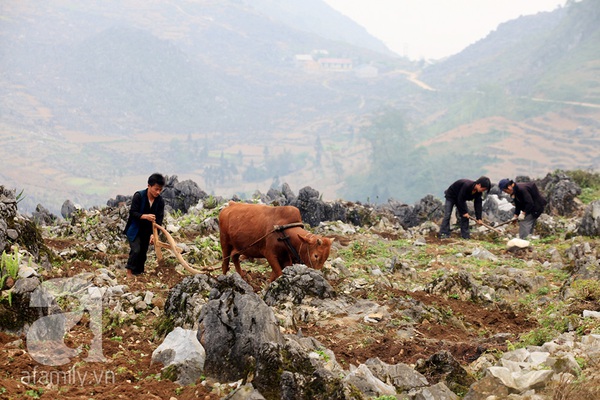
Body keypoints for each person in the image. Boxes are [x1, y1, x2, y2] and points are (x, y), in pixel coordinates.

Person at [123, 173, 166, 277]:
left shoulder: (160, 201)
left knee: (143, 252)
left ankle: (138, 273)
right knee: (136, 250)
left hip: (147, 231)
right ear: (149, 186)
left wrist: (154, 234)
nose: (158, 192)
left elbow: (159, 219)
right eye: (156, 189)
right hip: (135, 229)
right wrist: (145, 216)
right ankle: (129, 271)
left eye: (160, 190)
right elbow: (133, 212)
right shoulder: (139, 196)